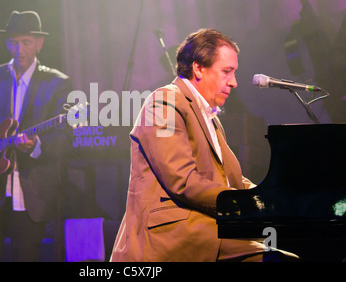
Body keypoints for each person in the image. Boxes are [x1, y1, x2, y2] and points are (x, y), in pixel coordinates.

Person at [110, 28, 298, 262]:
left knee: (289, 249)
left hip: (203, 226)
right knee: (279, 259)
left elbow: (229, 181)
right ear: (198, 68)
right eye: (227, 72)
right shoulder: (164, 102)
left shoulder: (210, 118)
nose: (234, 83)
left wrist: (267, 196)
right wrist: (248, 203)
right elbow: (182, 180)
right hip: (172, 234)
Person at [0, 11, 71, 261]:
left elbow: (63, 138)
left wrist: (34, 146)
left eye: (26, 42)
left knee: (26, 256)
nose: (19, 49)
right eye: (13, 42)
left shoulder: (56, 83)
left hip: (31, 192)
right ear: (7, 43)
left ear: (39, 43)